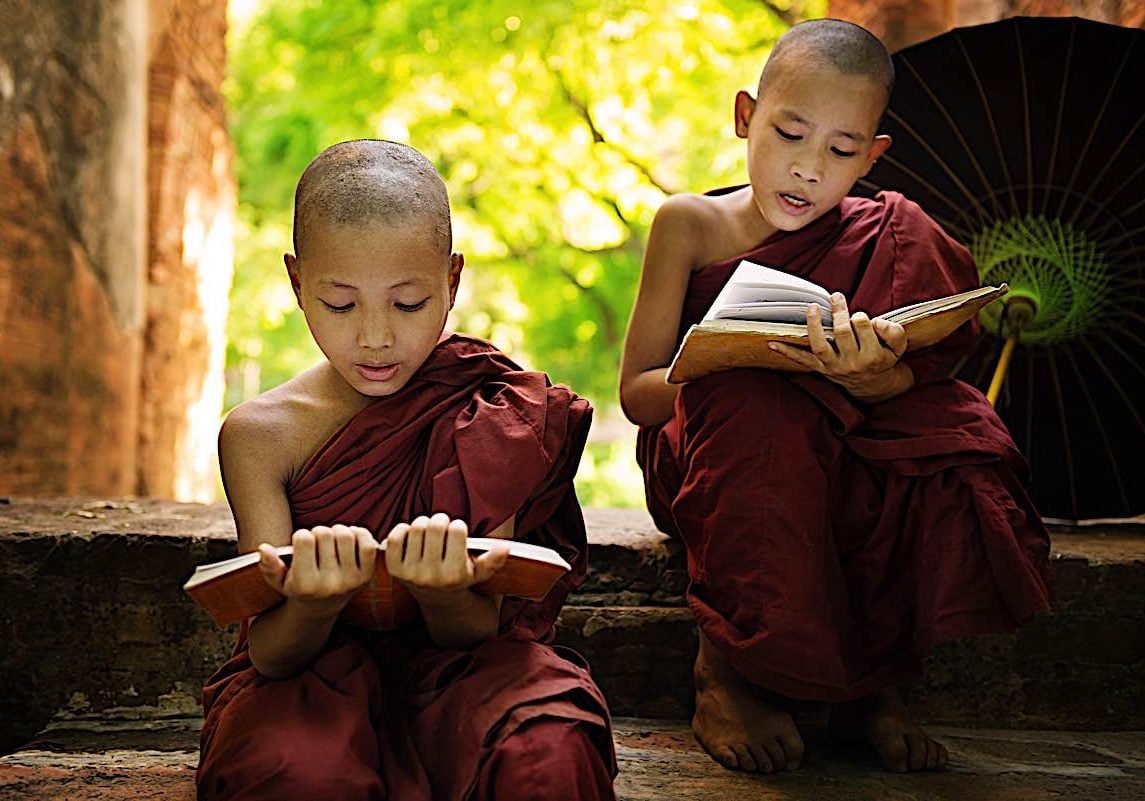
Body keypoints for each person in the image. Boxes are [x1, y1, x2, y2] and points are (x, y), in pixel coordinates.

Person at [620, 19, 1052, 775]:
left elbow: (916, 376)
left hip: (838, 438)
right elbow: (638, 395)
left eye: (841, 151)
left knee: (949, 425)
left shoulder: (890, 231)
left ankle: (870, 686)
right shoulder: (690, 223)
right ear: (744, 117)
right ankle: (723, 668)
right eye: (788, 133)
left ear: (872, 156)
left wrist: (869, 375)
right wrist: (723, 360)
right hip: (711, 450)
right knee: (756, 405)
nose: (808, 169)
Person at [197, 139, 617, 801]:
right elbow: (272, 653)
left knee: (546, 751)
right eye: (340, 305)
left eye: (408, 304)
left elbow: (478, 627)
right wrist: (313, 599)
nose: (374, 337)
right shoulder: (260, 436)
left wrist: (445, 591)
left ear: (451, 280)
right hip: (311, 675)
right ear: (297, 282)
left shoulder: (491, 407)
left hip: (465, 668)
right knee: (293, 772)